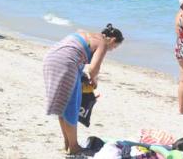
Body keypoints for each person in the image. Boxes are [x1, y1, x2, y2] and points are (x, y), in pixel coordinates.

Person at [43, 24, 124, 155]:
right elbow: (93, 68)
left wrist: (82, 75)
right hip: (66, 63)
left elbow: (75, 51)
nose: (111, 50)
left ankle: (68, 143)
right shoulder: (103, 43)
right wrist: (94, 80)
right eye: (114, 47)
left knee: (63, 104)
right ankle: (74, 147)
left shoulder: (85, 33)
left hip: (51, 58)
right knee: (71, 106)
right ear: (113, 40)